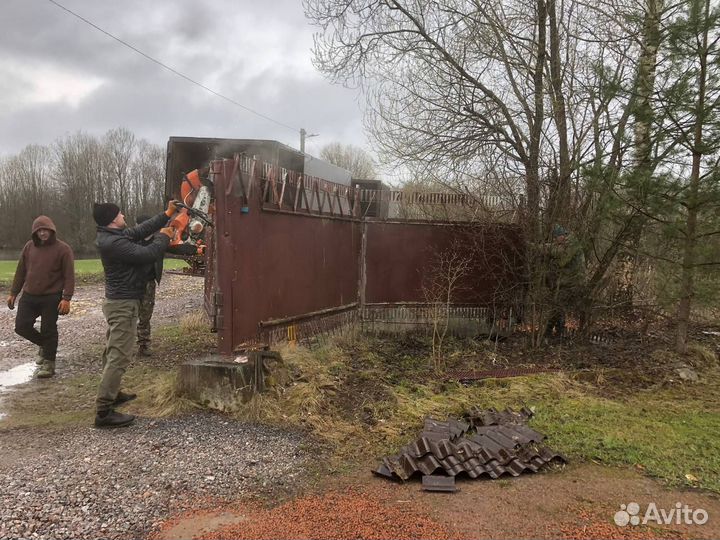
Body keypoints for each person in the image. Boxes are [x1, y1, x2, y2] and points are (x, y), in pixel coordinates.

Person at [92, 201, 177, 429]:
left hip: (119, 301)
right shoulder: (114, 243)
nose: (123, 215)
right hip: (123, 304)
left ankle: (113, 392)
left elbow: (140, 230)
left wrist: (166, 215)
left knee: (112, 349)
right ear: (112, 219)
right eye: (120, 213)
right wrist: (165, 235)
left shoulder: (113, 235)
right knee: (119, 354)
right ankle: (104, 411)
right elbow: (148, 253)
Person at [7, 216, 75, 378]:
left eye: (46, 230)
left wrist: (67, 298)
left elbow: (69, 276)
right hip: (30, 295)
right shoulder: (29, 247)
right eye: (39, 231)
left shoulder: (63, 249)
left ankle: (49, 364)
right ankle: (46, 346)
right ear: (35, 232)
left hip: (52, 296)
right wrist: (13, 293)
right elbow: (21, 271)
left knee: (48, 329)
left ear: (52, 230)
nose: (43, 233)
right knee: (21, 327)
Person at [544, 224, 585, 338]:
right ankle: (557, 332)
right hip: (567, 282)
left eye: (556, 238)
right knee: (558, 305)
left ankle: (550, 332)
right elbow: (552, 248)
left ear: (562, 236)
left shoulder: (572, 244)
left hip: (573, 283)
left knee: (557, 305)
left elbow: (562, 261)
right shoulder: (567, 244)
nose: (555, 241)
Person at [135, 214, 164, 357]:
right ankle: (123, 346)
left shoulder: (158, 241)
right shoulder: (131, 241)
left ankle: (143, 344)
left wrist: (195, 249)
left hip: (149, 283)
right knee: (129, 314)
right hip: (132, 282)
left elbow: (174, 247)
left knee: (146, 314)